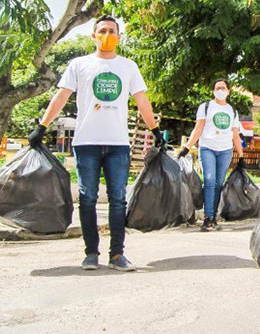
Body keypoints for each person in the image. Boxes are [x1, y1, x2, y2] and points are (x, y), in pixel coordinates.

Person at [28, 15, 163, 272]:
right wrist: (42, 126)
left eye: (112, 31)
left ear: (119, 37)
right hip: (86, 141)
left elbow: (142, 100)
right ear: (93, 35)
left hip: (118, 144)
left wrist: (155, 129)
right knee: (87, 198)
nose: (107, 35)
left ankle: (117, 255)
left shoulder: (128, 66)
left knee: (118, 199)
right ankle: (91, 253)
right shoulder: (79, 65)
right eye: (102, 30)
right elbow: (61, 96)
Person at [179, 79, 245, 231]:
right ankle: (207, 218)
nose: (220, 91)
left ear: (228, 91)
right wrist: (187, 148)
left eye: (223, 88)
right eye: (217, 88)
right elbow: (198, 128)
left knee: (218, 184)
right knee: (209, 180)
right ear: (213, 90)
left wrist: (241, 156)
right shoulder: (206, 107)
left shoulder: (232, 111)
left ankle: (213, 217)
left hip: (225, 150)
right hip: (207, 147)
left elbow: (235, 135)